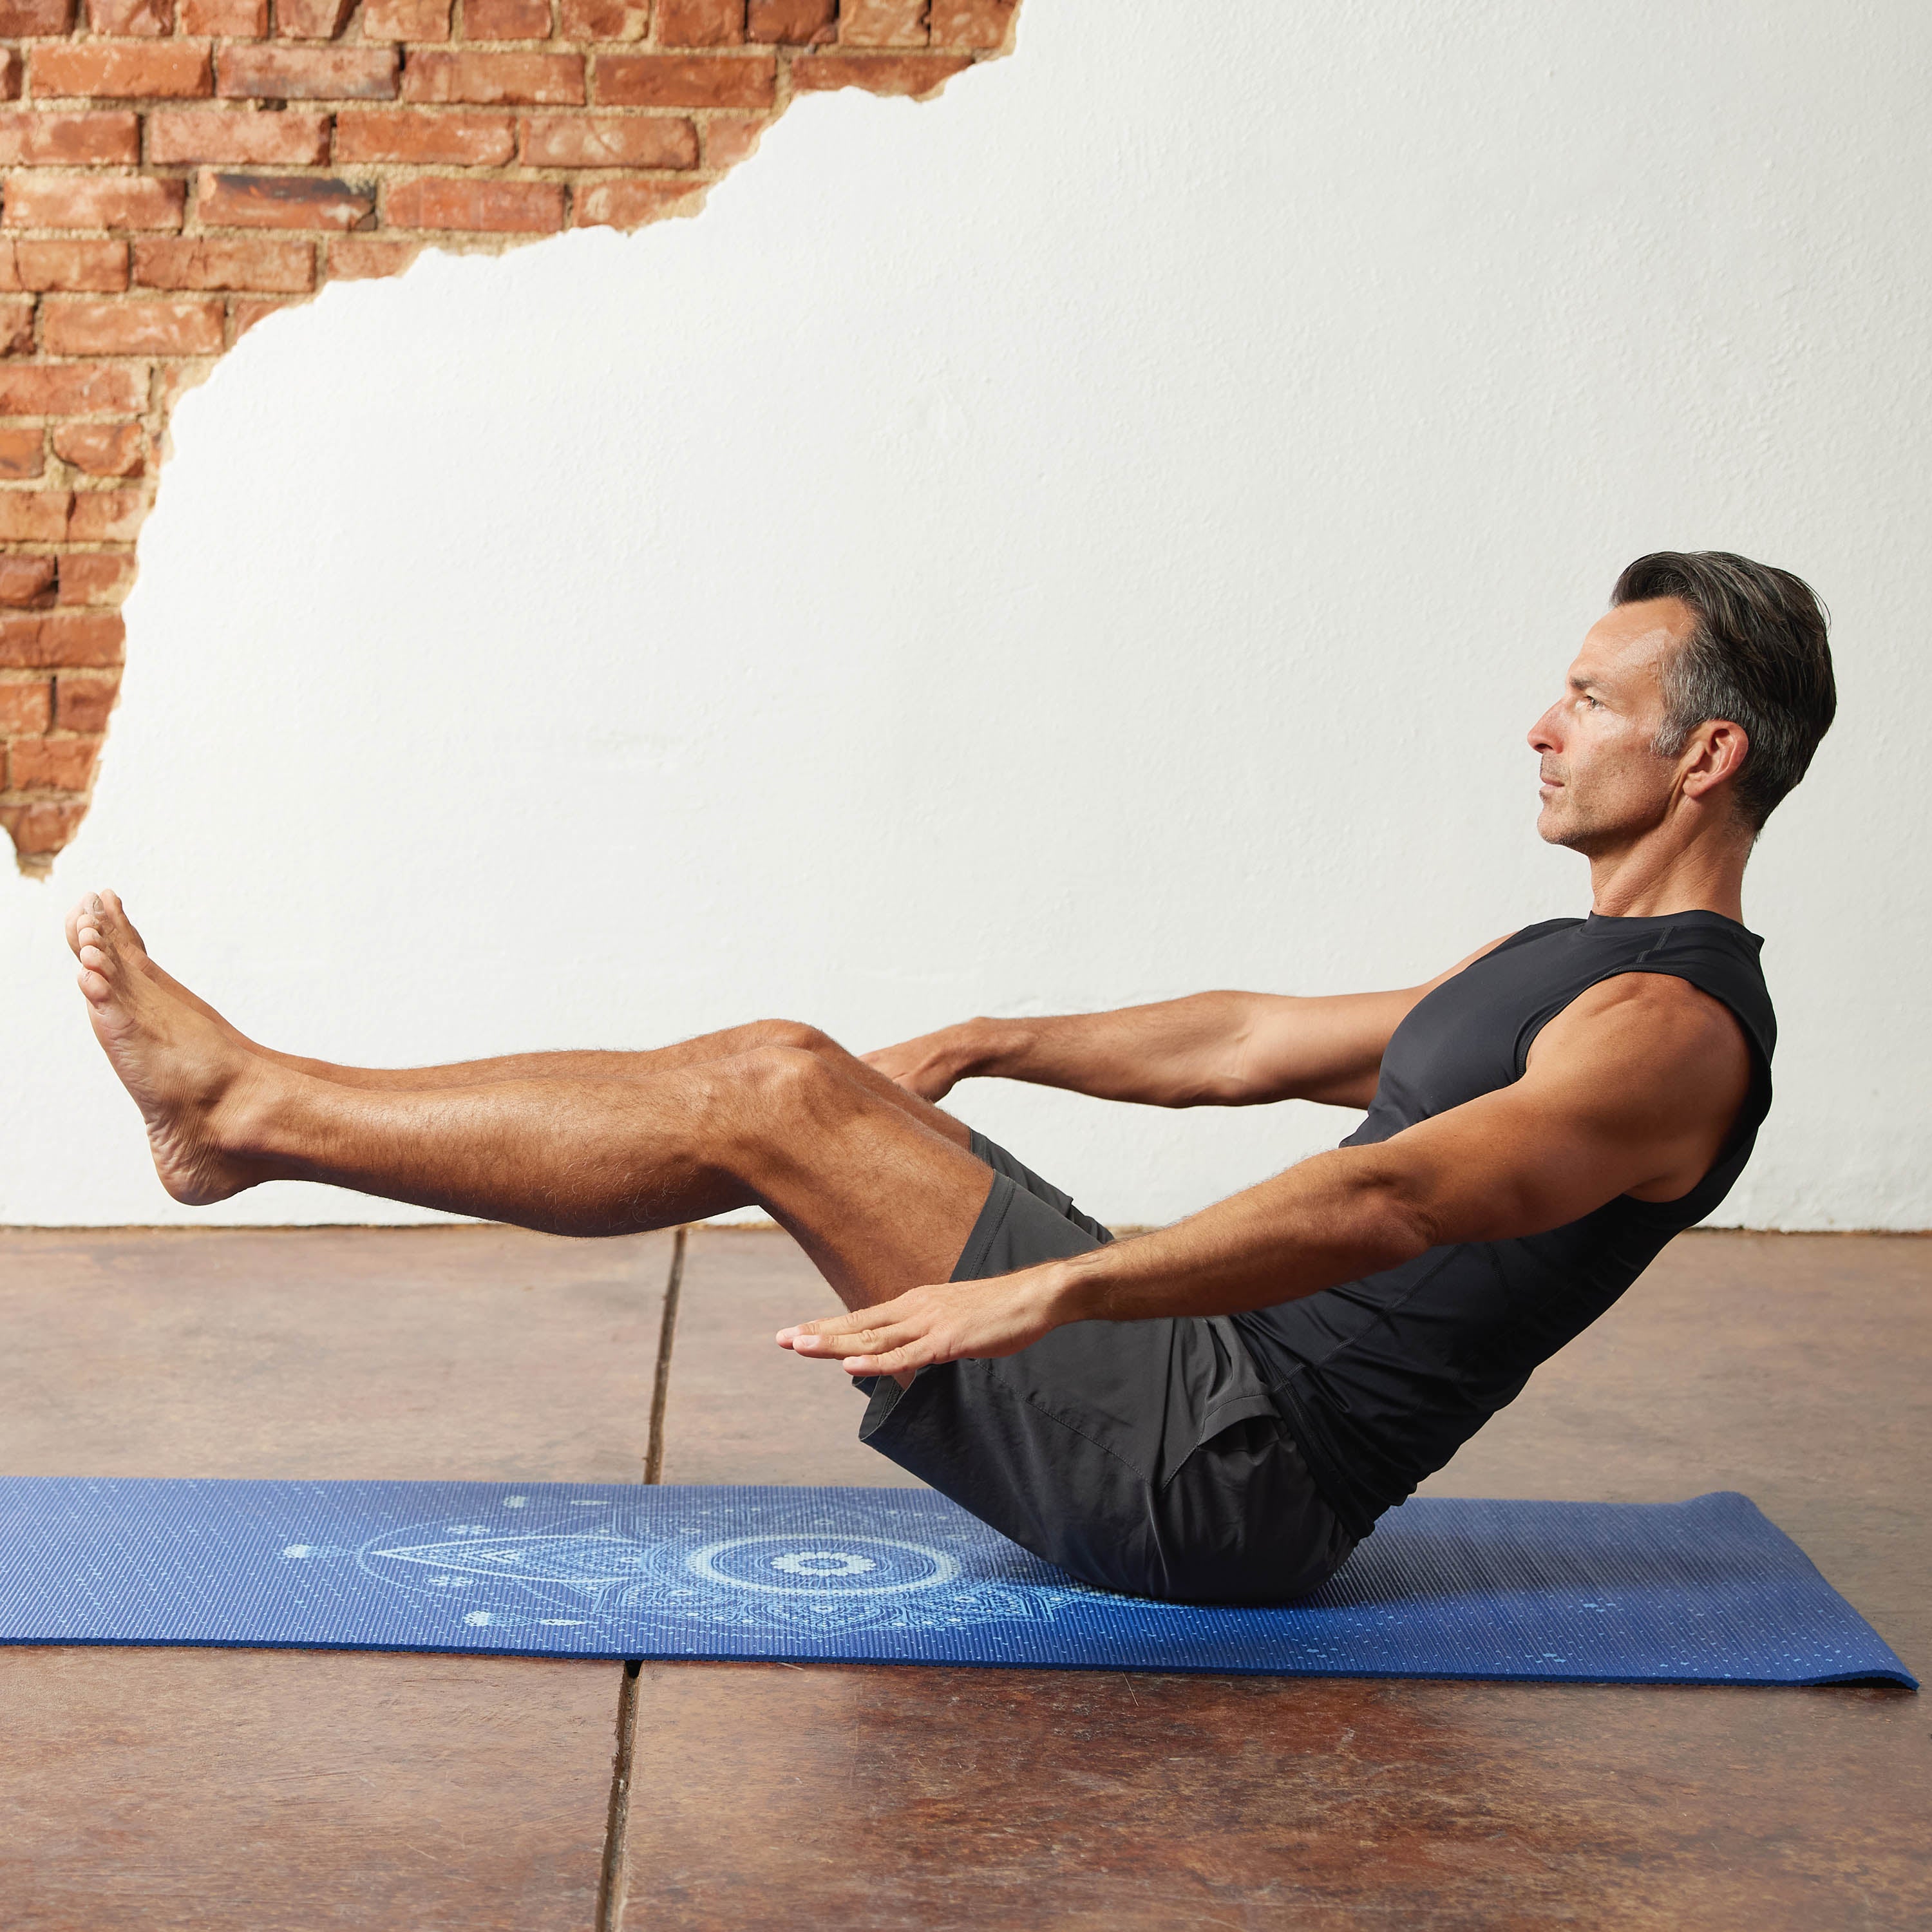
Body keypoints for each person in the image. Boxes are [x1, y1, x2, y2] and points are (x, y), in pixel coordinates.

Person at [68, 551, 1834, 1605]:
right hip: (1196, 1392)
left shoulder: (1670, 1034)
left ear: (1707, 757)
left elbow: (1396, 1197)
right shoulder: (1554, 965)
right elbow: (1243, 1043)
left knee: (771, 1088)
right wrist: (997, 1037)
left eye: (1592, 702)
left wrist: (1057, 1284)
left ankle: (241, 1113)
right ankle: (244, 1115)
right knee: (793, 1073)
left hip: (1232, 1477)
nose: (1543, 725)